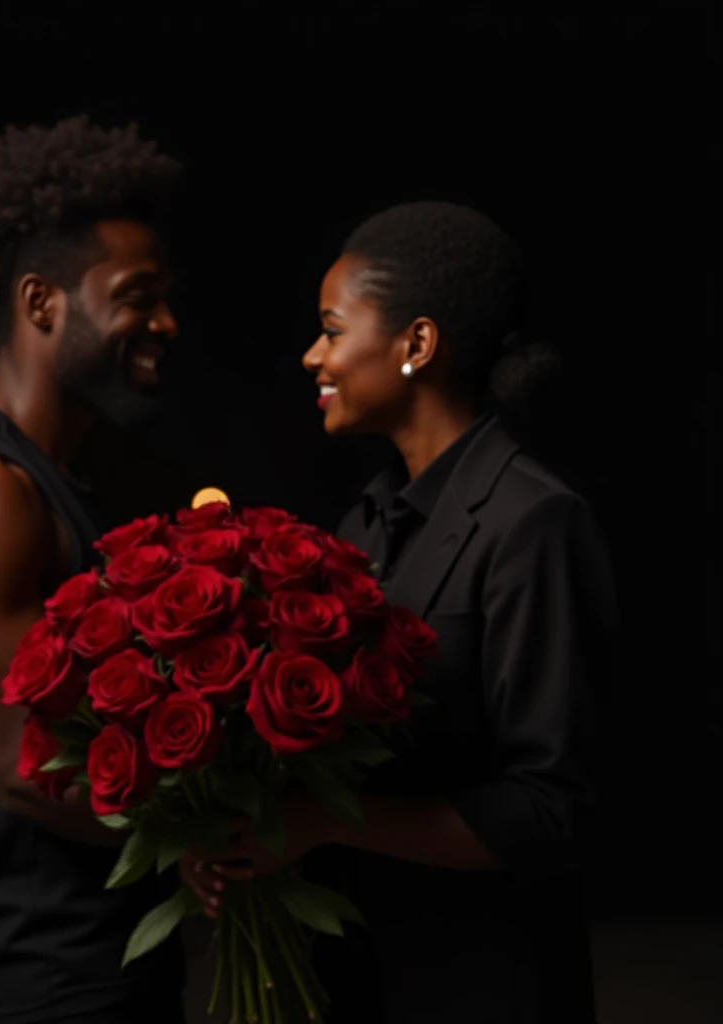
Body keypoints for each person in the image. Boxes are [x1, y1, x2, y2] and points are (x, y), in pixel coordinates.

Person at [182, 201, 618, 1023]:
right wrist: (244, 838)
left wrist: (321, 825)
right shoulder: (364, 528)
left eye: (333, 329)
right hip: (360, 976)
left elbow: (551, 809)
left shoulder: (534, 522)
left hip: (488, 985)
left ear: (417, 345)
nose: (313, 355)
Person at [0, 116, 186, 1024]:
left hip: (103, 965)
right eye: (138, 296)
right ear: (40, 301)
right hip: (38, 985)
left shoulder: (57, 483)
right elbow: (26, 769)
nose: (166, 325)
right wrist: (215, 833)